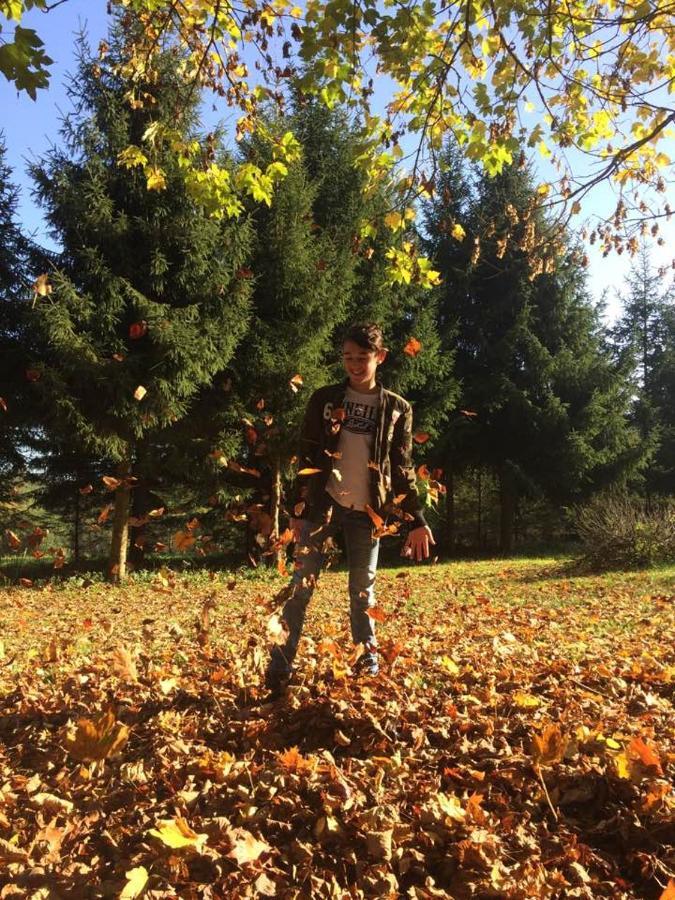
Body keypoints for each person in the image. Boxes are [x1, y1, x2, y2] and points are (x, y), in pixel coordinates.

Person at [264, 322, 435, 697]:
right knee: (300, 588)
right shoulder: (325, 400)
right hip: (322, 507)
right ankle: (279, 666)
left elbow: (403, 465)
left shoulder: (396, 409)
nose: (355, 365)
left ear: (380, 357)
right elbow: (307, 453)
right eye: (348, 357)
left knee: (363, 592)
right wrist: (298, 506)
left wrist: (416, 519)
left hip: (367, 512)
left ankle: (367, 665)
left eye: (363, 357)